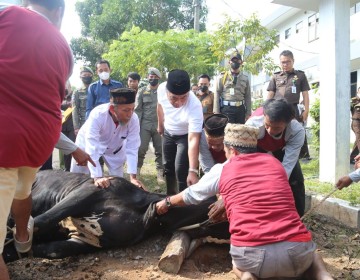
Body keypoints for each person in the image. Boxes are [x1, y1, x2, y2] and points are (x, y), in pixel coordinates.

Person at [156, 124, 333, 280]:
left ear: (232, 150)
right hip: (298, 254)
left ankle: (247, 275)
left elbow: (191, 195)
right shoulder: (275, 164)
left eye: (225, 150)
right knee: (314, 256)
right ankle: (323, 276)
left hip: (254, 258)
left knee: (237, 264)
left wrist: (167, 202)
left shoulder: (223, 169)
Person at [0, 1, 73, 279]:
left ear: (26, 3)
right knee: (23, 188)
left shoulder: (7, 13)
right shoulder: (63, 46)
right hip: (39, 141)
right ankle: (22, 237)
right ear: (59, 12)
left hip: (4, 138)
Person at [71, 88, 144, 190]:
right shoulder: (98, 115)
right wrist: (97, 177)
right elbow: (92, 147)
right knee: (77, 180)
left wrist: (133, 178)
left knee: (118, 183)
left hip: (114, 150)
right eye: (126, 110)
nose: (130, 114)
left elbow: (132, 148)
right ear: (112, 109)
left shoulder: (134, 119)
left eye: (132, 109)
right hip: (87, 146)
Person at [246, 99, 306, 217]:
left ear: (288, 123)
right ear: (264, 116)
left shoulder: (296, 131)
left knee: (295, 180)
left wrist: (274, 187)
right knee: (254, 179)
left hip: (282, 149)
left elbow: (287, 167)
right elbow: (245, 158)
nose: (270, 131)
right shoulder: (252, 125)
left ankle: (297, 218)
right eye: (267, 125)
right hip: (257, 147)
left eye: (277, 128)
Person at [157, 69, 203, 194]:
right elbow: (160, 106)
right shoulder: (161, 89)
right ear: (167, 92)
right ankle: (170, 196)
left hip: (185, 136)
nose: (179, 102)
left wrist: (193, 170)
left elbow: (193, 138)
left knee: (181, 169)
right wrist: (160, 125)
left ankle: (183, 200)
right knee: (168, 166)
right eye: (174, 98)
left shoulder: (195, 105)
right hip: (168, 132)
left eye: (183, 97)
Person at [267, 50, 311, 160]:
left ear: (293, 61)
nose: (285, 64)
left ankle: (300, 156)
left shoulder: (300, 75)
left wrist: (306, 111)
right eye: (283, 62)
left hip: (293, 109)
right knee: (277, 130)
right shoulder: (275, 76)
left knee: (295, 131)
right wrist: (266, 109)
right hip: (278, 109)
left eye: (288, 62)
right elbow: (270, 94)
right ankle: (276, 154)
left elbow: (305, 94)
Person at [135, 67, 164, 184]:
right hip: (145, 125)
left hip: (159, 124)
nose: (152, 79)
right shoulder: (142, 91)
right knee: (141, 148)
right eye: (151, 77)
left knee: (160, 149)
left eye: (155, 77)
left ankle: (160, 173)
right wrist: (136, 126)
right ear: (148, 78)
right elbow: (138, 110)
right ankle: (136, 171)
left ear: (159, 79)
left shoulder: (163, 91)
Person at [215, 51, 251, 124]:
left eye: (237, 60)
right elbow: (217, 92)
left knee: (240, 132)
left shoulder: (245, 78)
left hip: (240, 109)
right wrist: (216, 111)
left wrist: (248, 113)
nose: (235, 62)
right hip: (227, 109)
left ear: (241, 62)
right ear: (229, 62)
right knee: (228, 132)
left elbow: (247, 95)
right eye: (233, 60)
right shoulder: (222, 77)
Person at [72, 66, 94, 136]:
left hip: (97, 122)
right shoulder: (77, 92)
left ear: (92, 76)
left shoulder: (96, 89)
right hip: (84, 123)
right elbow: (74, 110)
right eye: (84, 75)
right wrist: (76, 127)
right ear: (80, 77)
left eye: (88, 75)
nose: (87, 77)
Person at [350, 86, 360, 163]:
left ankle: (352, 157)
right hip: (356, 122)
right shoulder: (354, 100)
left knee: (357, 140)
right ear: (358, 91)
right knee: (359, 139)